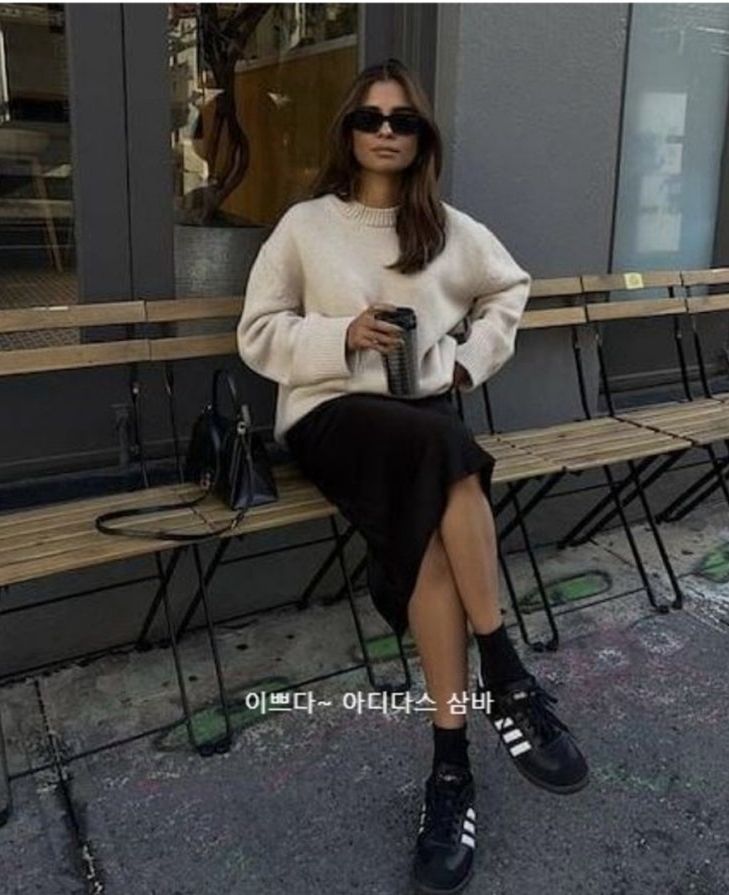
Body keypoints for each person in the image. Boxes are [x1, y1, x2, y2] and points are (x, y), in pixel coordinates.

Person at [237, 58, 588, 894]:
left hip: (422, 422)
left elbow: (509, 289)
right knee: (448, 451)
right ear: (348, 131)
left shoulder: (447, 228)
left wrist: (464, 364)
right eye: (370, 118)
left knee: (433, 524)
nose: (386, 132)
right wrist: (341, 334)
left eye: (403, 120)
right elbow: (257, 331)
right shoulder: (305, 225)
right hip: (330, 414)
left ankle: (449, 767)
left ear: (421, 136)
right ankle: (505, 672)